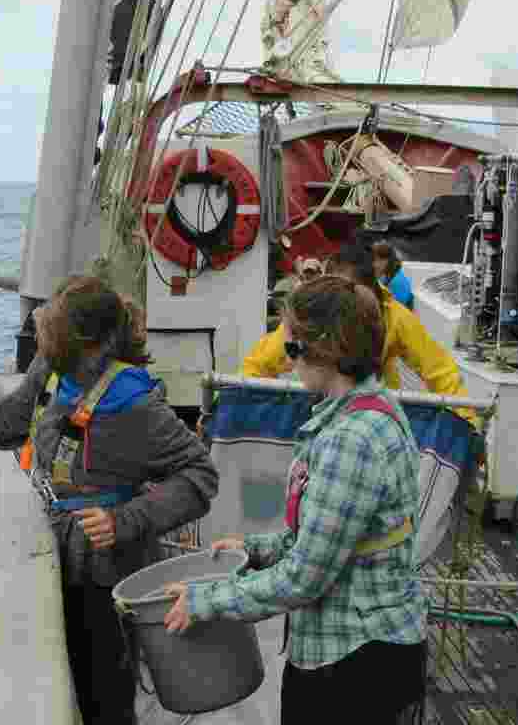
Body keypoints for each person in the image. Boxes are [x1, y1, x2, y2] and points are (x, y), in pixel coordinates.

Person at [0, 275, 218, 725]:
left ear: (91, 344)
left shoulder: (137, 406)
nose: (41, 331)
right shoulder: (50, 371)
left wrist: (125, 519)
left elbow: (201, 476)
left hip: (109, 574)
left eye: (53, 326)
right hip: (58, 554)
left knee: (107, 698)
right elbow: (2, 426)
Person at [163, 276, 427, 724]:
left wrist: (205, 600)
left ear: (325, 351)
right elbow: (330, 538)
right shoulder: (370, 410)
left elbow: (305, 579)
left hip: (353, 663)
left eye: (291, 350)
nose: (289, 364)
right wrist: (255, 549)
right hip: (357, 653)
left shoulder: (352, 441)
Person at [242, 233, 477, 426]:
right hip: (324, 410)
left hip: (377, 415)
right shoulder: (310, 315)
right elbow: (259, 365)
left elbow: (440, 371)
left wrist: (467, 427)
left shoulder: (397, 318)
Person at [373, 239, 413, 309]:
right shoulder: (385, 275)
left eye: (380, 260)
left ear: (389, 260)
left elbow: (394, 309)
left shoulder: (398, 281)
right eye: (374, 260)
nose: (375, 264)